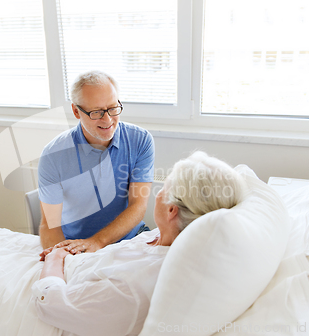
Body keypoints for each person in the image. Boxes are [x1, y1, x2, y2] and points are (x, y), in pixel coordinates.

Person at [34, 151, 247, 336]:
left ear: (171, 210)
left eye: (163, 187)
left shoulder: (132, 287)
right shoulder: (162, 236)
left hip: (41, 294)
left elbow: (50, 303)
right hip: (69, 266)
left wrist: (56, 258)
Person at [37, 70, 155, 253]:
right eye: (97, 112)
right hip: (78, 245)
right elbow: (50, 225)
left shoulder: (140, 140)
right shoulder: (53, 155)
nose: (108, 120)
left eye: (113, 108)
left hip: (130, 238)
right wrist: (60, 257)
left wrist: (97, 242)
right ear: (76, 111)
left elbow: (138, 205)